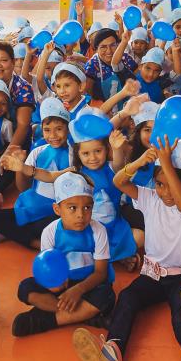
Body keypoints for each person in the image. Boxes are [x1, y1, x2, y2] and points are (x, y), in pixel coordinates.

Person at [74, 138, 181, 361]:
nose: (166, 191)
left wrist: (168, 165)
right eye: (160, 184)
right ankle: (112, 353)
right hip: (151, 274)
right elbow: (119, 183)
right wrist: (140, 162)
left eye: (173, 184)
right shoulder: (150, 199)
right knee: (127, 298)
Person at [12, 172, 116, 337]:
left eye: (87, 207)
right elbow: (47, 267)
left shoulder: (98, 231)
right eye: (72, 208)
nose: (81, 214)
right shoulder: (50, 232)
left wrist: (78, 290)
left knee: (106, 295)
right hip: (61, 287)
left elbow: (101, 273)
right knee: (25, 288)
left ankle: (44, 320)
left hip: (88, 284)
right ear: (57, 209)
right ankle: (83, 316)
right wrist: (53, 284)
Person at [0, 98, 73, 247]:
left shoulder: (74, 154)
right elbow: (23, 188)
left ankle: (25, 238)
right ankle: (36, 242)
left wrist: (24, 168)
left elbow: (55, 178)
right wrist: (19, 167)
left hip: (56, 211)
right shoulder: (38, 152)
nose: (53, 135)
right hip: (32, 206)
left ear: (68, 128)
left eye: (59, 129)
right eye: (47, 130)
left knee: (59, 224)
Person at [70, 110, 138, 269]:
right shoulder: (76, 175)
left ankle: (109, 258)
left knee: (140, 237)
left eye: (98, 151)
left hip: (115, 227)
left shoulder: (110, 168)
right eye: (85, 153)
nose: (92, 158)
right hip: (88, 229)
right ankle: (118, 259)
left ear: (106, 150)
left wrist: (117, 148)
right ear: (77, 154)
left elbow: (120, 165)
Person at [86, 29, 136, 105]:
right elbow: (88, 94)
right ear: (96, 49)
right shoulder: (92, 65)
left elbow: (138, 81)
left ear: (118, 45)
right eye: (103, 47)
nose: (109, 51)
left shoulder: (125, 59)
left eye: (112, 45)